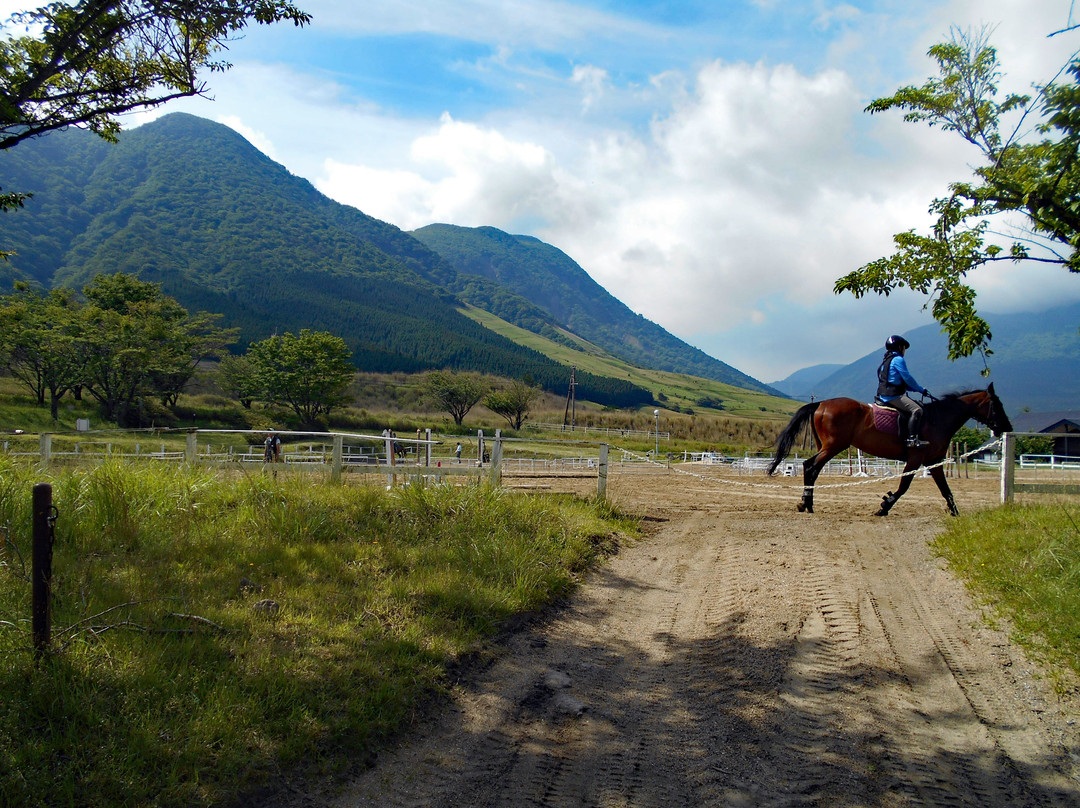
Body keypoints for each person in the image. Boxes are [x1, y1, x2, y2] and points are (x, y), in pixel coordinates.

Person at [875, 335, 931, 447]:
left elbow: (898, 382)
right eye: (904, 348)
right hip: (892, 396)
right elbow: (907, 378)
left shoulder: (886, 361)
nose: (904, 350)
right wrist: (921, 390)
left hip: (883, 394)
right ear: (900, 347)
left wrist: (915, 389)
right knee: (917, 410)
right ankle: (912, 440)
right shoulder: (898, 359)